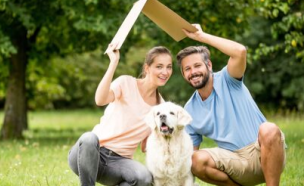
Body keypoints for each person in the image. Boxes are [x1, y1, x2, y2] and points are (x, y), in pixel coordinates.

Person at [176, 24, 286, 186]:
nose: (193, 72)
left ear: (209, 65)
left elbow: (240, 51)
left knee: (268, 129)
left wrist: (200, 36)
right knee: (194, 160)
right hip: (233, 162)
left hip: (263, 152)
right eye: (187, 69)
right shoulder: (189, 110)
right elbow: (190, 159)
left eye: (197, 65)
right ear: (184, 74)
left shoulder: (229, 79)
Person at [68, 43, 173, 186]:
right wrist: (113, 63)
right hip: (90, 153)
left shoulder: (161, 108)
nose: (165, 72)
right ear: (147, 68)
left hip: (118, 164)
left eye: (169, 67)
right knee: (88, 138)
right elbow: (100, 99)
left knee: (144, 178)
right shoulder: (126, 83)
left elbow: (146, 146)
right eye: (159, 66)